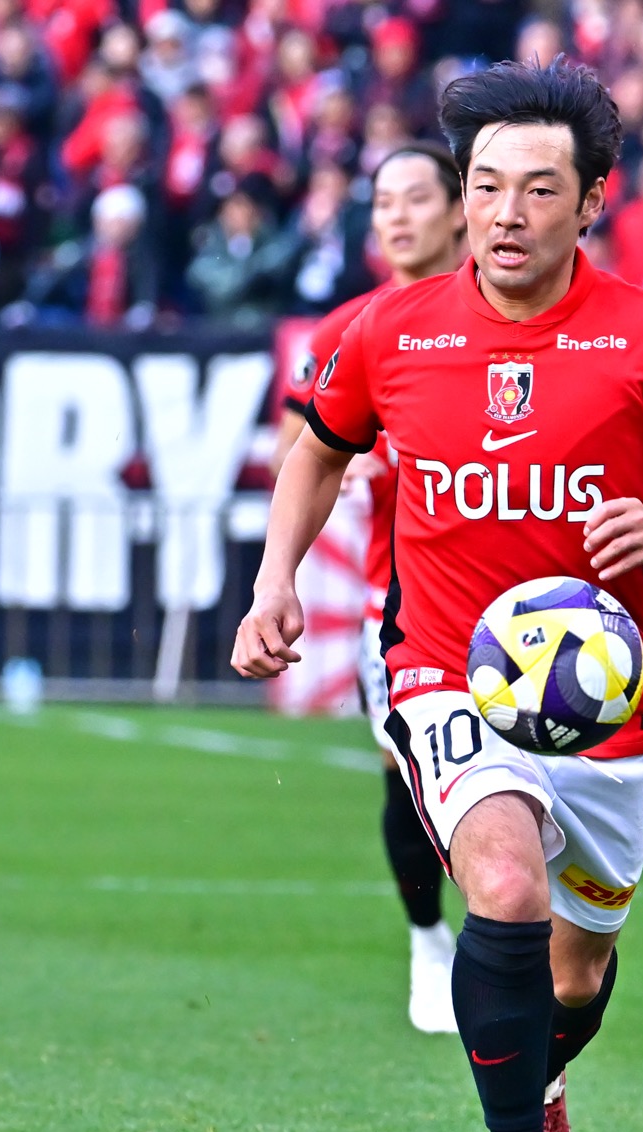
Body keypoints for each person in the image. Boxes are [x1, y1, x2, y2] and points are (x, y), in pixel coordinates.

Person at [232, 60, 643, 1132]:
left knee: (575, 969)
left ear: (591, 202)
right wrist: (274, 580)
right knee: (504, 889)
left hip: (603, 709)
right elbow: (318, 451)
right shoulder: (389, 330)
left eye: (536, 189)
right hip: (445, 677)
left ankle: (542, 1075)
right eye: (485, 187)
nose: (504, 212)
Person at [273, 141, 468, 1034]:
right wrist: (336, 467)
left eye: (414, 197)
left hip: (521, 592)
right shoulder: (343, 330)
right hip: (403, 600)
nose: (394, 215)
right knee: (407, 772)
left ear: (460, 207)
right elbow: (298, 455)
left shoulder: (507, 316)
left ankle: (525, 951)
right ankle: (428, 941)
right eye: (381, 200)